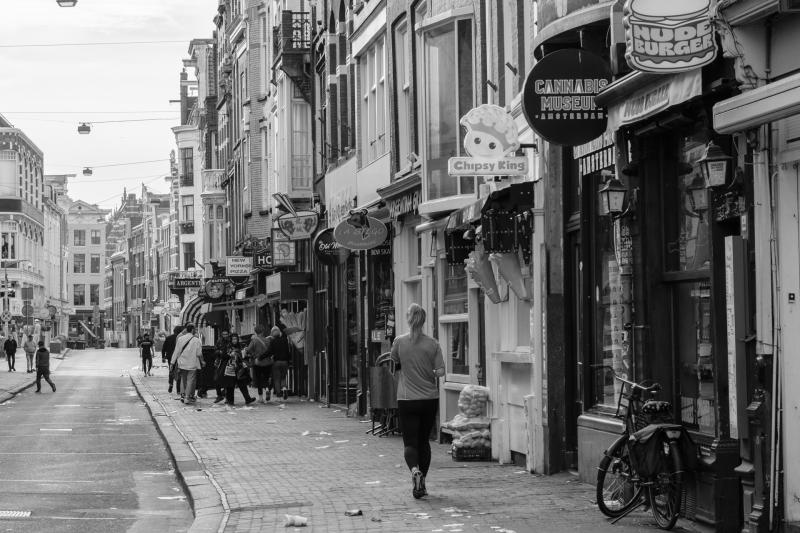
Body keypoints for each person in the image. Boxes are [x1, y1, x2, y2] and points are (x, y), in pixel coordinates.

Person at [390, 303, 445, 499]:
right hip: (429, 399)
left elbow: (394, 363)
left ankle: (415, 471)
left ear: (408, 319)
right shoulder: (433, 344)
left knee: (410, 443)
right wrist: (430, 372)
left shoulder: (399, 342)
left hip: (407, 399)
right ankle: (423, 484)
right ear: (424, 320)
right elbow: (441, 372)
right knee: (424, 442)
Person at [171, 324, 203, 404]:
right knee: (190, 380)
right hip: (192, 363)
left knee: (183, 379)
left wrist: (172, 363)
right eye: (195, 329)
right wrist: (202, 361)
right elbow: (199, 353)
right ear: (192, 330)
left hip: (182, 363)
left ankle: (183, 395)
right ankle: (187, 397)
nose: (195, 330)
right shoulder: (196, 340)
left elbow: (176, 351)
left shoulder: (180, 339)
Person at [220, 333, 255, 406]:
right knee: (230, 385)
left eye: (235, 339)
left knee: (242, 384)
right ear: (231, 340)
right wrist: (230, 355)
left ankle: (248, 399)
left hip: (239, 368)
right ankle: (230, 401)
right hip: (230, 368)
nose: (234, 341)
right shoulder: (227, 346)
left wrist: (245, 354)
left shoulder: (240, 346)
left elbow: (244, 356)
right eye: (233, 339)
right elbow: (223, 356)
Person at [245, 324, 272, 403]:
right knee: (266, 378)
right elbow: (271, 350)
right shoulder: (268, 340)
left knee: (258, 379)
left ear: (256, 332)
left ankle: (260, 398)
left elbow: (248, 350)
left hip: (258, 363)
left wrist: (253, 354)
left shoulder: (254, 340)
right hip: (268, 362)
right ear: (263, 331)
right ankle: (267, 389)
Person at [269, 326, 291, 401]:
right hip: (284, 362)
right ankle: (284, 389)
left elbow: (270, 352)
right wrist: (288, 361)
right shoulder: (285, 340)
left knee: (277, 379)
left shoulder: (272, 341)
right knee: (283, 377)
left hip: (276, 362)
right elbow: (288, 351)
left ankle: (279, 396)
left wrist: (262, 357)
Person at [162, 326, 183, 394]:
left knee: (171, 370)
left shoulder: (168, 338)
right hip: (179, 357)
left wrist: (163, 357)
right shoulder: (181, 338)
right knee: (179, 372)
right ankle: (178, 389)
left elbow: (163, 348)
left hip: (170, 357)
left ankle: (171, 384)